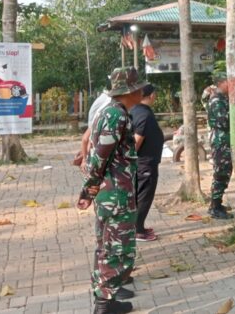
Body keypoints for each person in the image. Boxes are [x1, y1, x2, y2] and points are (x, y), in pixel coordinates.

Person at [78, 67, 147, 314]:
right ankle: (105, 305)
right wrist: (88, 191)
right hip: (116, 195)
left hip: (114, 193)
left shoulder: (114, 112)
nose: (142, 90)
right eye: (139, 87)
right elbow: (99, 159)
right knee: (117, 251)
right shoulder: (115, 115)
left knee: (106, 247)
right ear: (130, 91)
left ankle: (105, 299)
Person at [130, 84, 164, 242]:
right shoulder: (144, 115)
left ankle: (139, 226)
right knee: (144, 196)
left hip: (144, 162)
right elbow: (137, 141)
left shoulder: (135, 110)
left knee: (140, 194)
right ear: (151, 95)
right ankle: (137, 230)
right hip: (145, 163)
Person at [207, 72, 233, 220]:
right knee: (221, 173)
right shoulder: (217, 100)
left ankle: (217, 203)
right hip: (221, 141)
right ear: (222, 83)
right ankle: (214, 207)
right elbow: (224, 121)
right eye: (229, 82)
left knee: (225, 172)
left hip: (225, 140)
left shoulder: (223, 98)